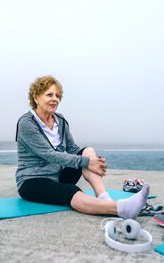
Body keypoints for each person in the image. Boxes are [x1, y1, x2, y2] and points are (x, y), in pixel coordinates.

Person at [15, 75, 150, 219]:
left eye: (57, 95)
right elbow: (49, 154)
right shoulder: (27, 123)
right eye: (49, 95)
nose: (55, 99)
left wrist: (92, 162)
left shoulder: (59, 120)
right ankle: (120, 208)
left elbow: (73, 148)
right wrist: (87, 162)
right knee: (70, 190)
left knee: (88, 151)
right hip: (32, 181)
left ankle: (104, 198)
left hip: (58, 176)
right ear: (36, 97)